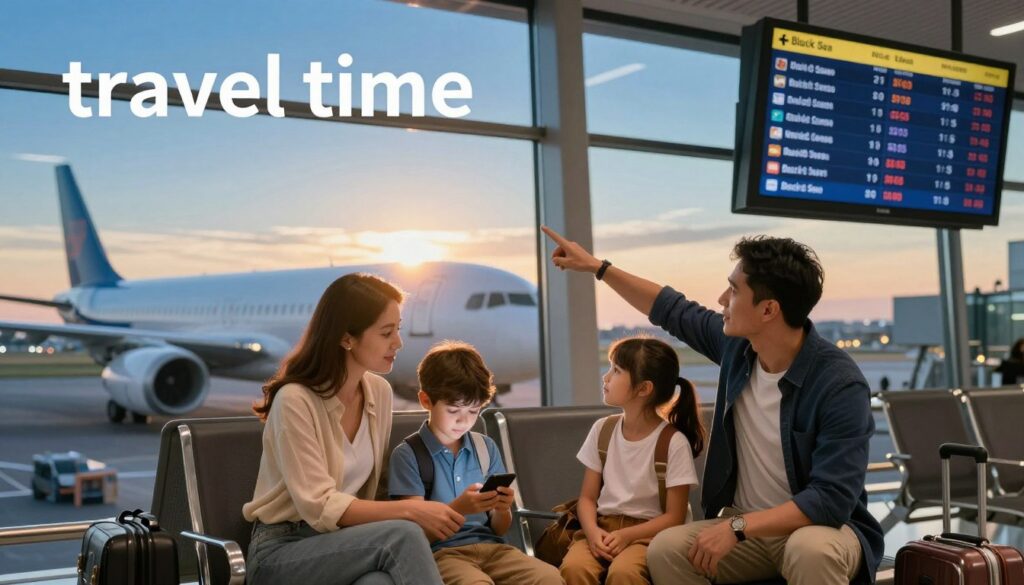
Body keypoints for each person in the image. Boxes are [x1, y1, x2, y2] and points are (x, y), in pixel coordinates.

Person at [541, 226, 883, 585]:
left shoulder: (839, 384)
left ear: (768, 309)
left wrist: (737, 526)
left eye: (734, 290)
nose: (722, 298)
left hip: (819, 530)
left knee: (811, 550)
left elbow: (830, 501)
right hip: (746, 526)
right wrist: (598, 267)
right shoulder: (737, 349)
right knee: (668, 550)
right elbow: (669, 308)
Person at [242, 273, 463, 585]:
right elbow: (319, 506)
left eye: (397, 330)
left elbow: (380, 488)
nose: (398, 342)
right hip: (282, 552)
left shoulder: (379, 392)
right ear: (347, 338)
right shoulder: (295, 400)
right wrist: (412, 513)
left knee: (378, 583)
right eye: (387, 333)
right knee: (402, 535)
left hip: (350, 543)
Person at [388, 341, 564, 585]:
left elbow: (500, 528)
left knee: (549, 578)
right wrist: (459, 508)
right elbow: (414, 537)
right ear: (426, 400)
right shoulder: (408, 455)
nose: (463, 421)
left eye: (473, 412)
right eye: (453, 411)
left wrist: (502, 508)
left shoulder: (485, 447)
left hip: (493, 549)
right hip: (441, 554)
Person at [560, 336, 703, 585]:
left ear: (643, 388)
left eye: (616, 370)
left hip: (649, 534)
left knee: (624, 574)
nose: (605, 378)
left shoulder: (672, 442)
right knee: (574, 568)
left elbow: (674, 517)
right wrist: (593, 533)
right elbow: (587, 498)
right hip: (602, 527)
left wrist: (627, 535)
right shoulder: (602, 429)